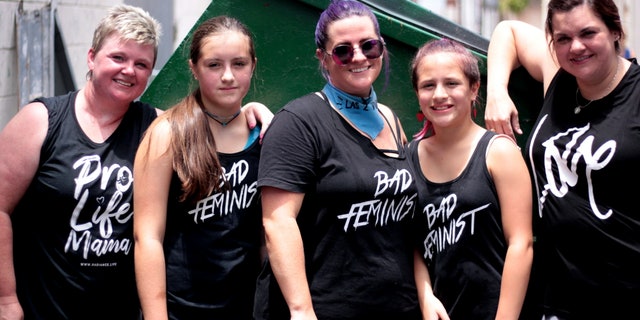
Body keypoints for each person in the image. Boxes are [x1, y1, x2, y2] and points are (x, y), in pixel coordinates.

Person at [0, 5, 271, 320]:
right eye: (118, 58)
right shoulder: (41, 121)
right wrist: (6, 300)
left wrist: (254, 110)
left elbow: (212, 122)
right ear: (91, 57)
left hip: (121, 308)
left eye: (141, 64)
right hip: (44, 308)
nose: (129, 70)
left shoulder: (155, 127)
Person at [253, 1, 421, 319]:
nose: (359, 57)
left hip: (395, 307)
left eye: (369, 46)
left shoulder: (391, 119)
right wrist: (301, 311)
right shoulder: (299, 121)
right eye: (343, 50)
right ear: (324, 58)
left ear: (382, 50)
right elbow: (277, 222)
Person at [484, 0, 640, 318]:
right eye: (563, 38)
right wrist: (497, 91)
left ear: (615, 31)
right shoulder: (559, 77)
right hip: (556, 296)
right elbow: (507, 32)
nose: (576, 47)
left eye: (588, 33)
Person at [133, 15, 269, 320]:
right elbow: (147, 236)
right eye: (214, 65)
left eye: (239, 63)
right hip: (182, 309)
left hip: (246, 307)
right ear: (194, 68)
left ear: (253, 65)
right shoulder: (167, 133)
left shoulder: (262, 133)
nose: (228, 76)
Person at [408, 38, 533, 320]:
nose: (440, 94)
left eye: (452, 83)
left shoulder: (499, 152)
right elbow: (411, 242)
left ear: (474, 88)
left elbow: (521, 244)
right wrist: (426, 296)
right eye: (428, 85)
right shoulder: (409, 157)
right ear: (417, 93)